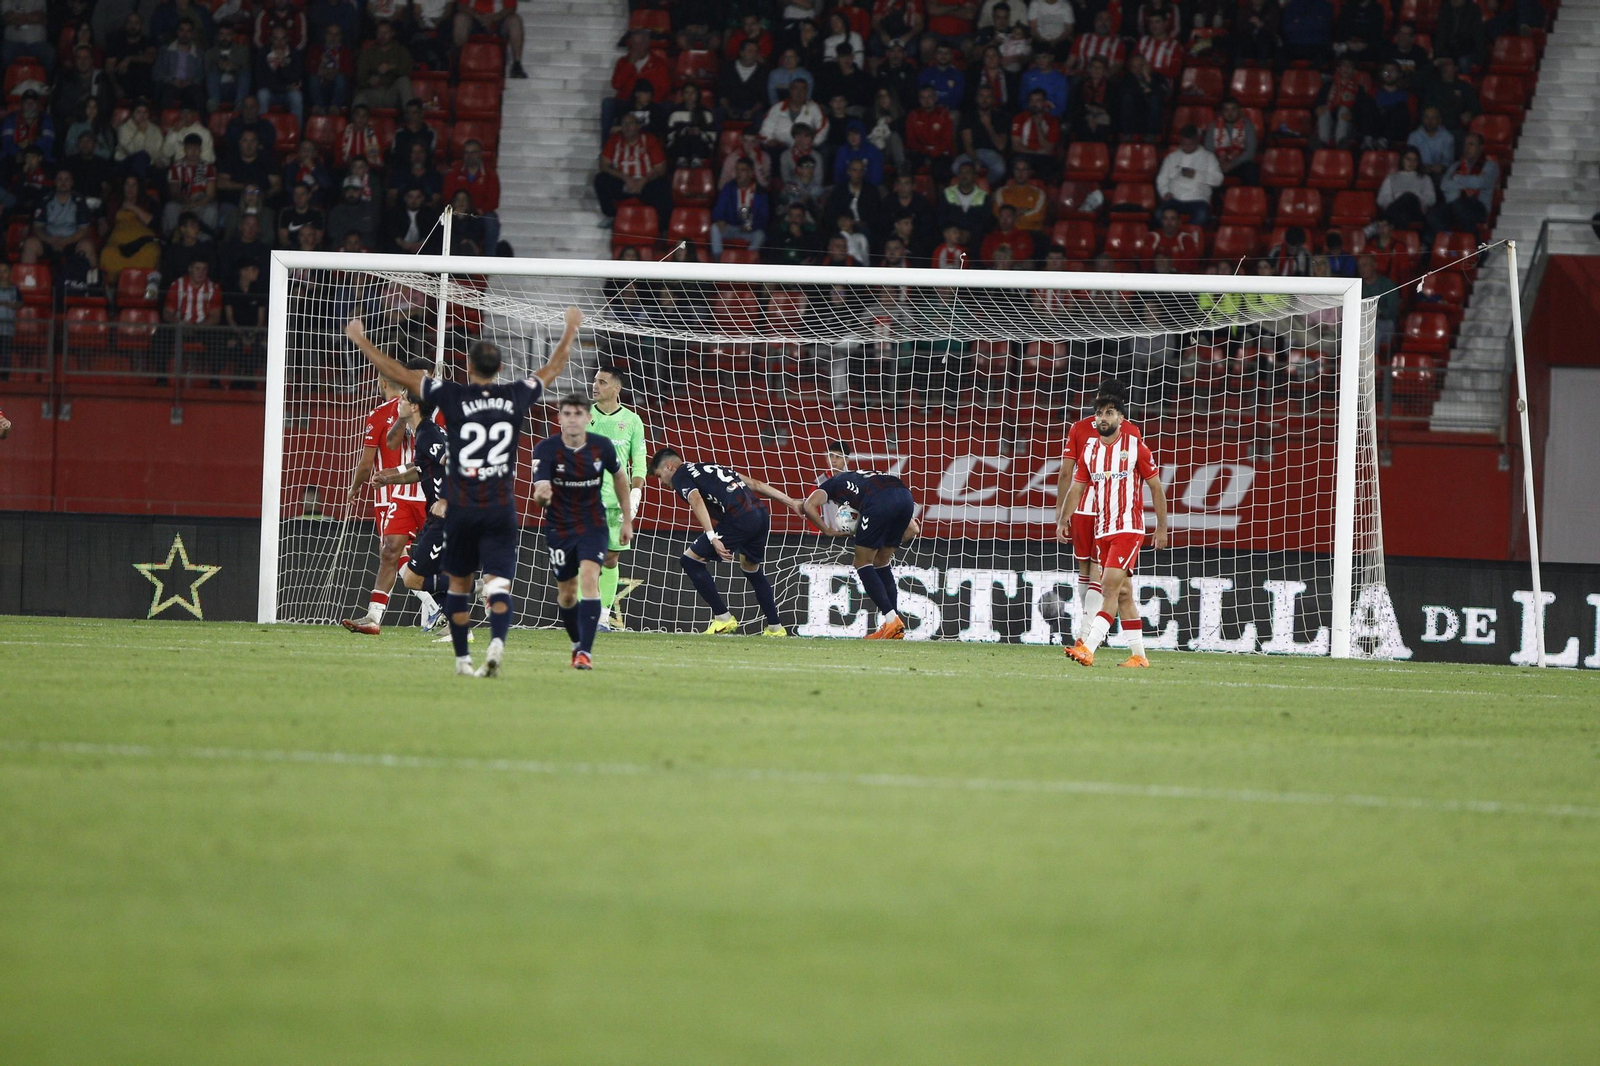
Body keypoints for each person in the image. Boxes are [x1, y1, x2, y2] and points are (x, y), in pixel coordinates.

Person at [342, 308, 582, 676]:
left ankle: (463, 661)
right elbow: (555, 366)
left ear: (468, 367)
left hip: (463, 505)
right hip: (500, 505)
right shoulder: (515, 394)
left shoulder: (452, 397)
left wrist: (361, 340)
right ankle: (496, 643)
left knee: (457, 582)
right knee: (497, 584)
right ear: (501, 368)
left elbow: (399, 373)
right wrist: (570, 328)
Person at [1061, 392, 1168, 667]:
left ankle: (1088, 648)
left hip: (1128, 528)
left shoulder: (1135, 447)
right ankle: (1139, 656)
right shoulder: (1090, 451)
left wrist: (1161, 528)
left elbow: (1156, 487)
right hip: (1102, 529)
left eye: (1109, 413)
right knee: (1123, 594)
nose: (1103, 418)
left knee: (1108, 588)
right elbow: (1076, 489)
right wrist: (1063, 519)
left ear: (1121, 418)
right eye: (1099, 413)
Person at [529, 393, 634, 671]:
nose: (572, 419)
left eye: (578, 414)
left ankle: (585, 652)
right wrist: (542, 496)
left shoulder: (602, 446)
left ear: (588, 418)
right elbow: (539, 493)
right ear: (559, 418)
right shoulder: (545, 449)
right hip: (559, 528)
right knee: (567, 595)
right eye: (567, 413)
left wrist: (627, 519)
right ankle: (577, 643)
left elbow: (620, 477)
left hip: (593, 525)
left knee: (589, 578)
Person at [648, 448, 797, 636]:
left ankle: (723, 618)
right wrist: (791, 502)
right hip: (760, 514)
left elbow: (695, 499)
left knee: (689, 561)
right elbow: (755, 484)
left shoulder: (680, 475)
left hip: (739, 518)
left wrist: (712, 537)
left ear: (669, 467)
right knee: (751, 568)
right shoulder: (709, 466)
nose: (661, 482)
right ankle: (776, 628)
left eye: (659, 476)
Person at [1055, 380, 1145, 651]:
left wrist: (1061, 511)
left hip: (1082, 508)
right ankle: (1088, 634)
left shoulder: (1079, 427)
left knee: (1085, 571)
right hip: (1112, 512)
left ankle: (1086, 634)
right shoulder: (1131, 431)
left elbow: (1066, 473)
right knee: (1099, 573)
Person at [801, 468, 919, 639]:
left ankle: (891, 620)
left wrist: (827, 530)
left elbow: (808, 505)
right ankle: (893, 626)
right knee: (881, 562)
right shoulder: (863, 479)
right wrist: (884, 542)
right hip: (905, 496)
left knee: (862, 563)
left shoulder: (832, 484)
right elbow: (913, 529)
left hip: (878, 502)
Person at [369, 384, 449, 631]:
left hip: (447, 515)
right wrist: (389, 479)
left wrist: (446, 499)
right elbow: (420, 470)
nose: (399, 403)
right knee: (420, 573)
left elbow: (454, 460)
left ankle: (479, 587)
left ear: (414, 407)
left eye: (403, 399)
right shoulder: (422, 433)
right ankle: (456, 627)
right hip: (439, 514)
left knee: (415, 577)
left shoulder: (428, 434)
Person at [587, 365, 648, 632]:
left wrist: (635, 493)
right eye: (595, 381)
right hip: (585, 499)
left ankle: (603, 616)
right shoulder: (584, 416)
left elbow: (640, 461)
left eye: (602, 382)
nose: (595, 385)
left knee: (610, 559)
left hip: (615, 503)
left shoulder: (632, 420)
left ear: (616, 388)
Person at [594, 113, 670, 228]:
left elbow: (661, 168)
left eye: (631, 123)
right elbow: (604, 165)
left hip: (645, 185)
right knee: (600, 179)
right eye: (624, 124)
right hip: (622, 184)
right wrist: (625, 178)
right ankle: (611, 215)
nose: (627, 127)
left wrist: (643, 181)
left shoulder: (649, 140)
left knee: (664, 184)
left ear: (638, 126)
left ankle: (663, 225)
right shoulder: (614, 140)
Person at [1428, 131, 1499, 238]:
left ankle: (1476, 242)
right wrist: (1469, 182)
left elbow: (1480, 182)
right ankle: (1450, 240)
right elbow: (1444, 185)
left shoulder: (1490, 166)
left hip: (1479, 207)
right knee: (1434, 214)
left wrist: (1457, 178)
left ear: (1480, 148)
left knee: (1460, 205)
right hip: (1454, 206)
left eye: (1471, 144)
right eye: (1465, 145)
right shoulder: (1456, 166)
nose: (1467, 148)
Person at [1155, 125, 1222, 225]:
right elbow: (1162, 178)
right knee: (1159, 214)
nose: (1186, 147)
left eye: (1190, 145)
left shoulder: (1208, 157)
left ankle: (1188, 234)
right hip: (1175, 198)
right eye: (1184, 144)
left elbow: (1218, 180)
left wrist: (1197, 174)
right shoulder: (1172, 157)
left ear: (1197, 140)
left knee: (1201, 216)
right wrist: (1165, 192)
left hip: (1198, 199)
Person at [710, 156, 769, 257]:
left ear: (751, 173)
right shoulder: (728, 187)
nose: (738, 173)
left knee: (760, 235)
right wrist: (720, 219)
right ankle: (718, 259)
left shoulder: (760, 192)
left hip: (750, 230)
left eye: (743, 170)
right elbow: (718, 209)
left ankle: (748, 260)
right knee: (714, 228)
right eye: (737, 169)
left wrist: (752, 226)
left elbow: (764, 218)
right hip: (731, 227)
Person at [453, 0, 526, 79]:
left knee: (515, 20)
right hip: (474, 19)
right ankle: (456, 62)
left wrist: (493, 18)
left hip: (497, 20)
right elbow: (461, 6)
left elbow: (511, 8)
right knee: (461, 18)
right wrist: (479, 17)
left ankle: (517, 65)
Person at [1377, 146, 1435, 229]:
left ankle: (1378, 225)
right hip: (1397, 211)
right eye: (1408, 159)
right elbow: (1382, 199)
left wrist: (1417, 198)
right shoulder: (1392, 178)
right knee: (1402, 211)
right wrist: (1397, 203)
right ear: (1402, 160)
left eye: (1415, 160)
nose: (1411, 163)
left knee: (1408, 197)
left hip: (1416, 210)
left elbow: (1431, 198)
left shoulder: (1425, 178)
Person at [1206, 99, 1259, 185]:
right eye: (1226, 110)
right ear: (1222, 112)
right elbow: (1209, 151)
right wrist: (1219, 163)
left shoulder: (1247, 125)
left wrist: (1232, 164)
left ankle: (1248, 193)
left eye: (1233, 109)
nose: (1230, 113)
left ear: (1238, 111)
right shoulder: (1213, 126)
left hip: (1239, 164)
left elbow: (1250, 152)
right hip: (1218, 164)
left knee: (1251, 169)